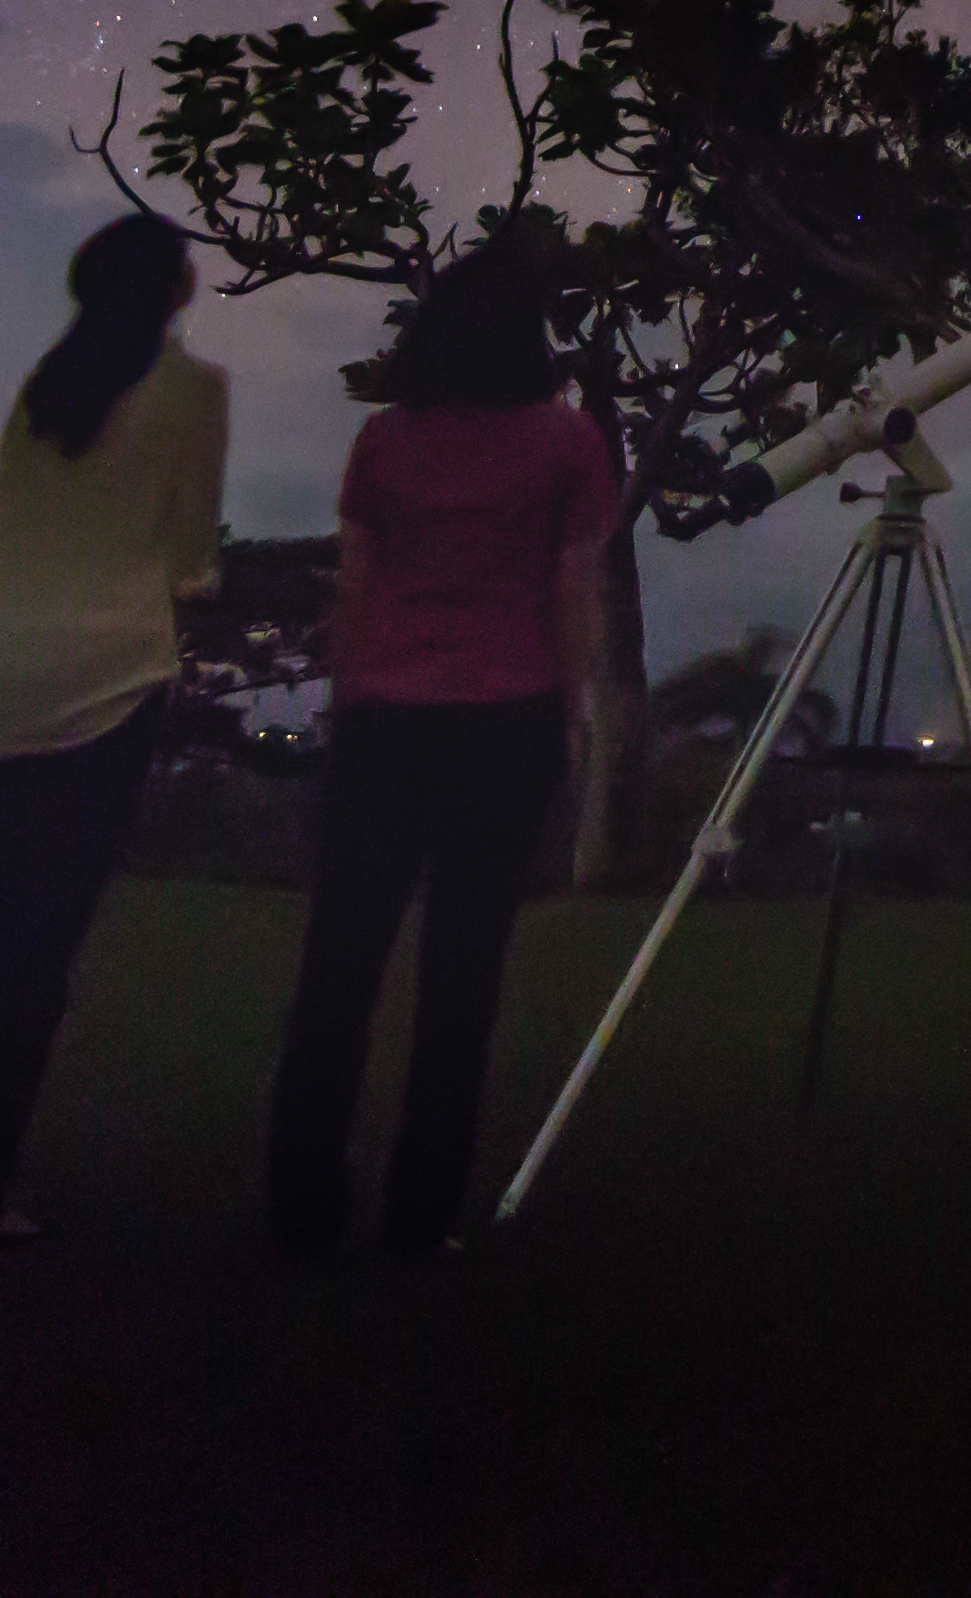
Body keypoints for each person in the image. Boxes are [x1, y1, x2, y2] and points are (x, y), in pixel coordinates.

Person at [265, 210, 619, 1257]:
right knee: (464, 972)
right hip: (503, 722)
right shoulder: (568, 443)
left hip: (385, 719)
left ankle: (302, 1202)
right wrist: (570, 719)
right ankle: (421, 1217)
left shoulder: (386, 440)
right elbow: (570, 599)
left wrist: (348, 702)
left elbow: (357, 593)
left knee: (340, 966)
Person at [0, 207, 222, 1252]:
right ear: (171, 289)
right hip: (102, 687)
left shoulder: (45, 387)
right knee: (33, 950)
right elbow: (190, 558)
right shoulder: (193, 392)